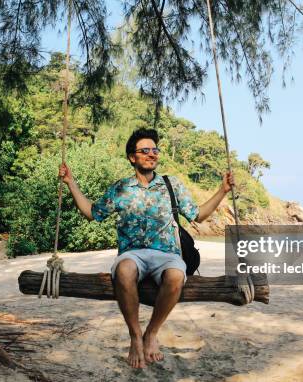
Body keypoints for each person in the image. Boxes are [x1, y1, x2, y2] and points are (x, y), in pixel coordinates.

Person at [58, 128, 234, 368]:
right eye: (145, 150)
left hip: (168, 255)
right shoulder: (121, 189)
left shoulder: (171, 185)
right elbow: (92, 213)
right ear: (133, 157)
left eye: (155, 150)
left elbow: (198, 215)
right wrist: (70, 183)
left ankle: (151, 333)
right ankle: (134, 336)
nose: (152, 154)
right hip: (133, 255)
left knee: (175, 276)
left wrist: (223, 190)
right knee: (124, 270)